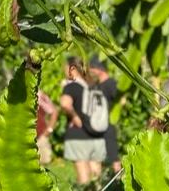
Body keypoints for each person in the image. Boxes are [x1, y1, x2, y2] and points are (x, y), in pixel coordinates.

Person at [59, 56, 120, 184]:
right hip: (95, 134)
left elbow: (65, 103)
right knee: (97, 178)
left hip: (78, 136)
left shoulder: (72, 86)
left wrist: (75, 117)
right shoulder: (93, 86)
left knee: (84, 181)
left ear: (72, 68)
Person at [87, 56, 122, 173]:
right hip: (96, 126)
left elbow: (121, 101)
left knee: (113, 156)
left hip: (108, 125)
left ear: (99, 69)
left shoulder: (111, 84)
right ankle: (97, 184)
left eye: (92, 68)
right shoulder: (96, 85)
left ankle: (119, 180)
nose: (91, 71)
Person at [35, 90, 59, 165]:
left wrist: (49, 130)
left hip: (40, 137)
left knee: (44, 166)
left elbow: (54, 111)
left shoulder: (38, 94)